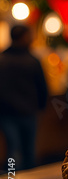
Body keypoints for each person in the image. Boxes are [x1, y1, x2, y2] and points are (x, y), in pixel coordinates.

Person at [0, 25, 48, 170]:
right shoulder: (32, 60)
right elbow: (42, 87)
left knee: (13, 150)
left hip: (7, 112)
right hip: (28, 111)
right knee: (28, 151)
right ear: (23, 37)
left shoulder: (2, 59)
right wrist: (41, 106)